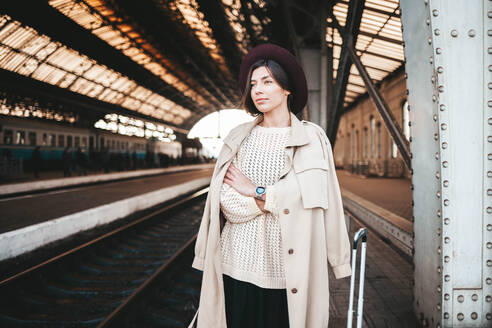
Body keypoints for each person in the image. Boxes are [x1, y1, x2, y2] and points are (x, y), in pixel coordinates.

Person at [189, 43, 351, 328]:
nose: (258, 90)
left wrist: (256, 191)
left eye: (267, 82)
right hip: (236, 266)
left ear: (286, 88)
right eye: (253, 84)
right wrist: (276, 200)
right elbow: (226, 200)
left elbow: (326, 201)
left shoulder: (314, 139)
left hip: (289, 273)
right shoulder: (238, 138)